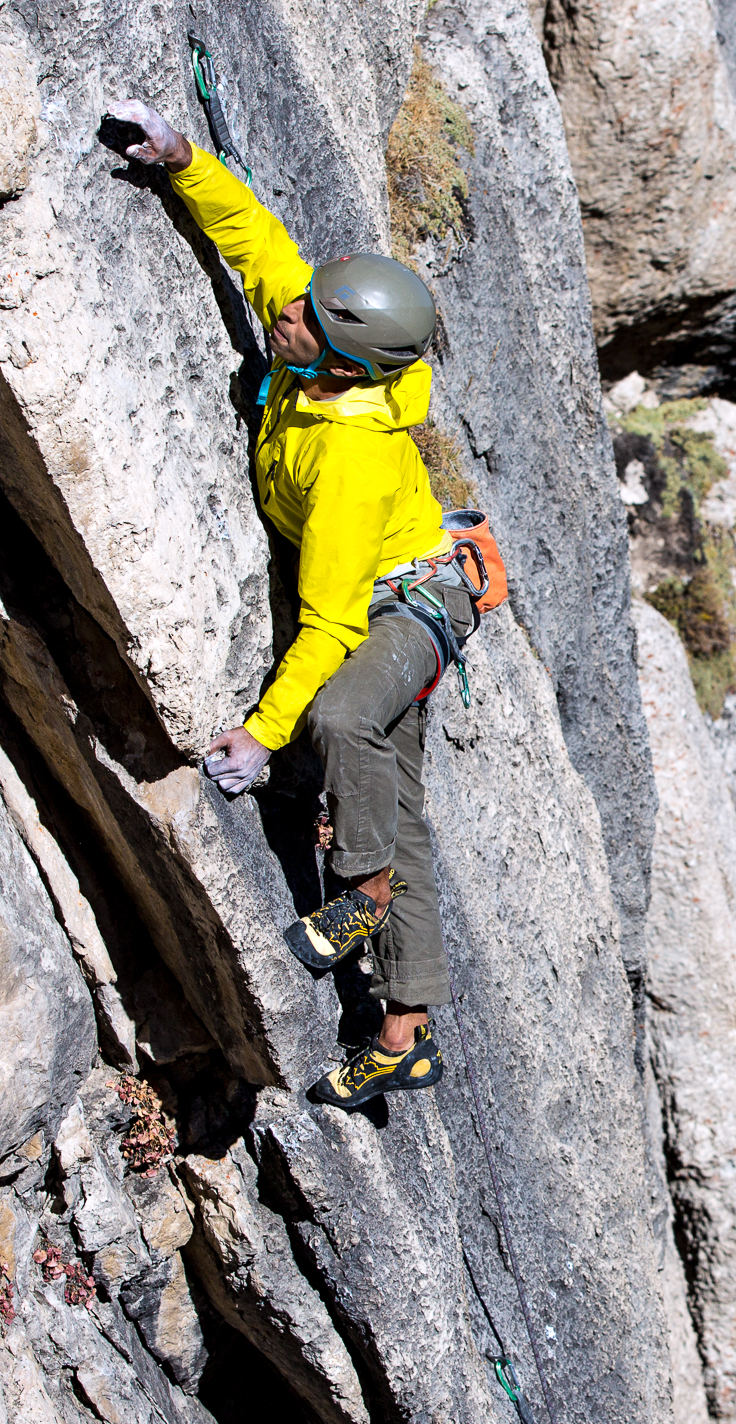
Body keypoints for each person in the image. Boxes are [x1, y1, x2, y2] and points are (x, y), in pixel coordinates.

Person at [109, 98, 475, 1111]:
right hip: (394, 594)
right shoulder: (315, 337)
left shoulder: (353, 459)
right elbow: (257, 242)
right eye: (302, 304)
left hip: (409, 609)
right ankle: (401, 1034)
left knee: (344, 714)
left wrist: (261, 736)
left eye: (309, 318)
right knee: (400, 818)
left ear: (349, 362)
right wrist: (186, 162)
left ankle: (358, 895)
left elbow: (330, 627)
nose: (287, 313)